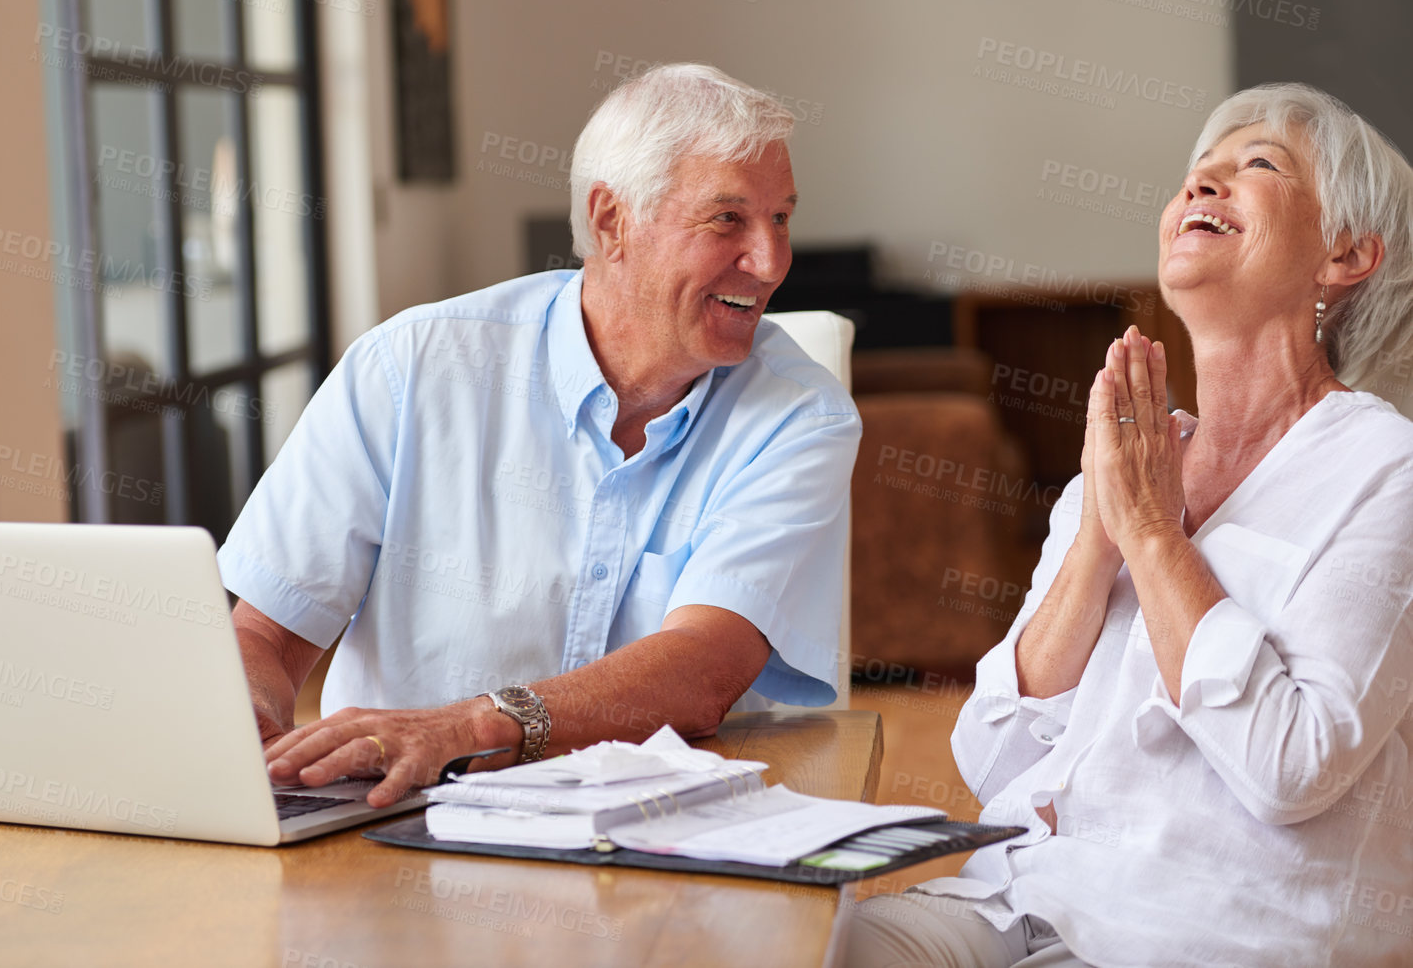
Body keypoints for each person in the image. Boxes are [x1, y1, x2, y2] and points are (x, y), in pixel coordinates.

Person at [848, 83, 1413, 967]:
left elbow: (1290, 764)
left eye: (1255, 165)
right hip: (1016, 894)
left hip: (1196, 930)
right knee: (802, 947)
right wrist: (1099, 535)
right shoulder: (1130, 458)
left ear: (1344, 253)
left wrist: (1154, 537)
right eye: (1194, 175)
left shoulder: (1385, 469)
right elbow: (988, 755)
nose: (1200, 188)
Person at [219, 64, 860, 807]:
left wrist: (462, 730)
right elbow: (264, 634)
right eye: (728, 219)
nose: (772, 261)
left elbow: (702, 668)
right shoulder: (409, 369)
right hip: (389, 822)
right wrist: (254, 731)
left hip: (654, 844)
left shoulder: (799, 413)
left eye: (780, 218)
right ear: (612, 221)